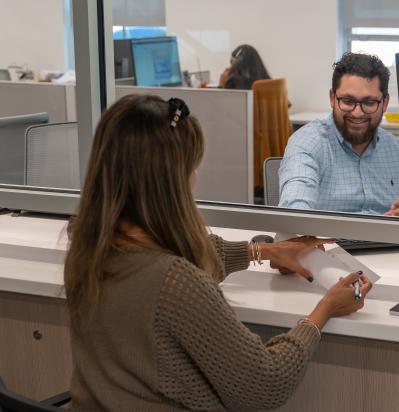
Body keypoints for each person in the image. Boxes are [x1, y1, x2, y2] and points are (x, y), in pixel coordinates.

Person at [63, 94, 372, 411]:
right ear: (170, 182)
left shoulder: (89, 246)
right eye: (191, 169)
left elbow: (185, 254)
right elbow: (266, 385)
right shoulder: (175, 282)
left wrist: (264, 251)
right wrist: (324, 311)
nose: (195, 179)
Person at [278, 52, 399, 218]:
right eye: (348, 101)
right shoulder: (308, 143)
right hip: (328, 242)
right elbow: (295, 210)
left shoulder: (398, 151)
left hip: (391, 242)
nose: (357, 113)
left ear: (384, 103)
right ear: (332, 98)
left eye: (369, 103)